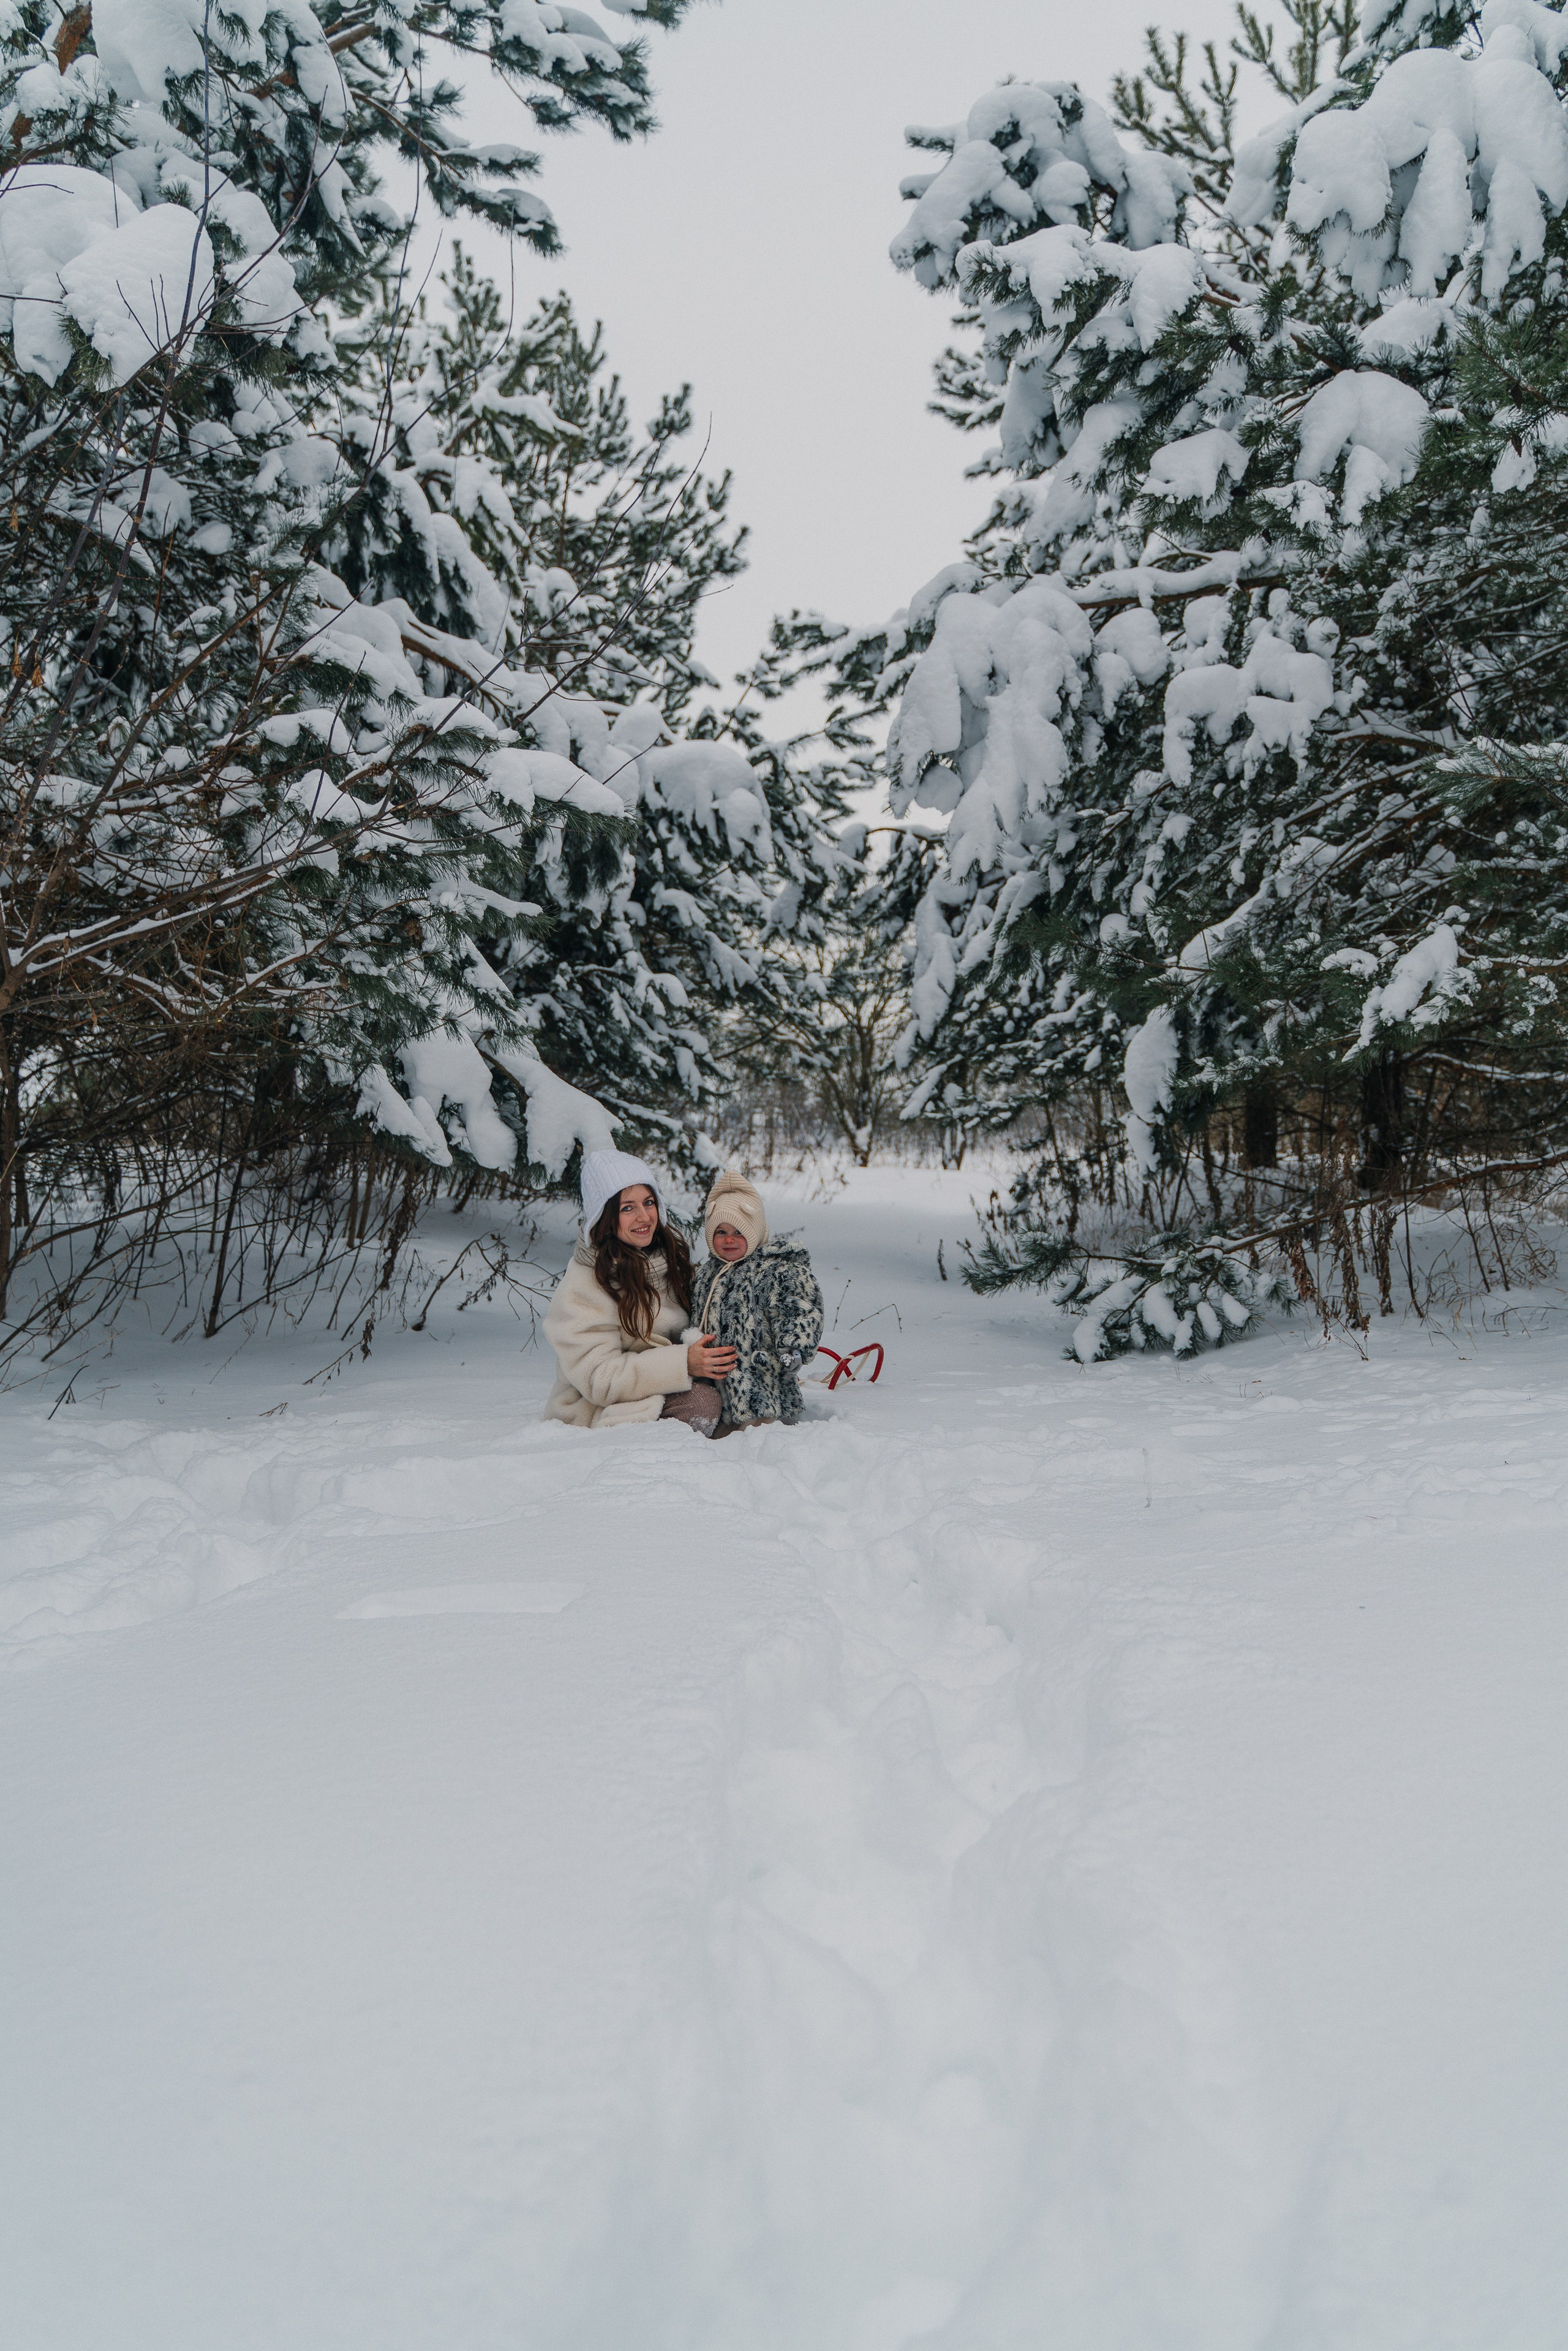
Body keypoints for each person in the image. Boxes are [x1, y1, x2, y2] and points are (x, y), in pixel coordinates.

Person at [544, 1150, 737, 1435]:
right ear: (605, 1217)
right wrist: (684, 1363)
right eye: (627, 1208)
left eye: (649, 1203)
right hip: (596, 1407)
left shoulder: (665, 1260)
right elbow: (601, 1379)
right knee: (702, 1403)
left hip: (662, 1386)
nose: (644, 1216)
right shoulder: (585, 1283)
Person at [687, 1168, 824, 1433]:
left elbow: (799, 1310)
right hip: (718, 1387)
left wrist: (795, 1348)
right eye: (721, 1232)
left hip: (763, 1384)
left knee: (758, 1435)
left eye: (739, 1232)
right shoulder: (705, 1275)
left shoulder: (776, 1271)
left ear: (754, 1232)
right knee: (723, 1435)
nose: (729, 1239)